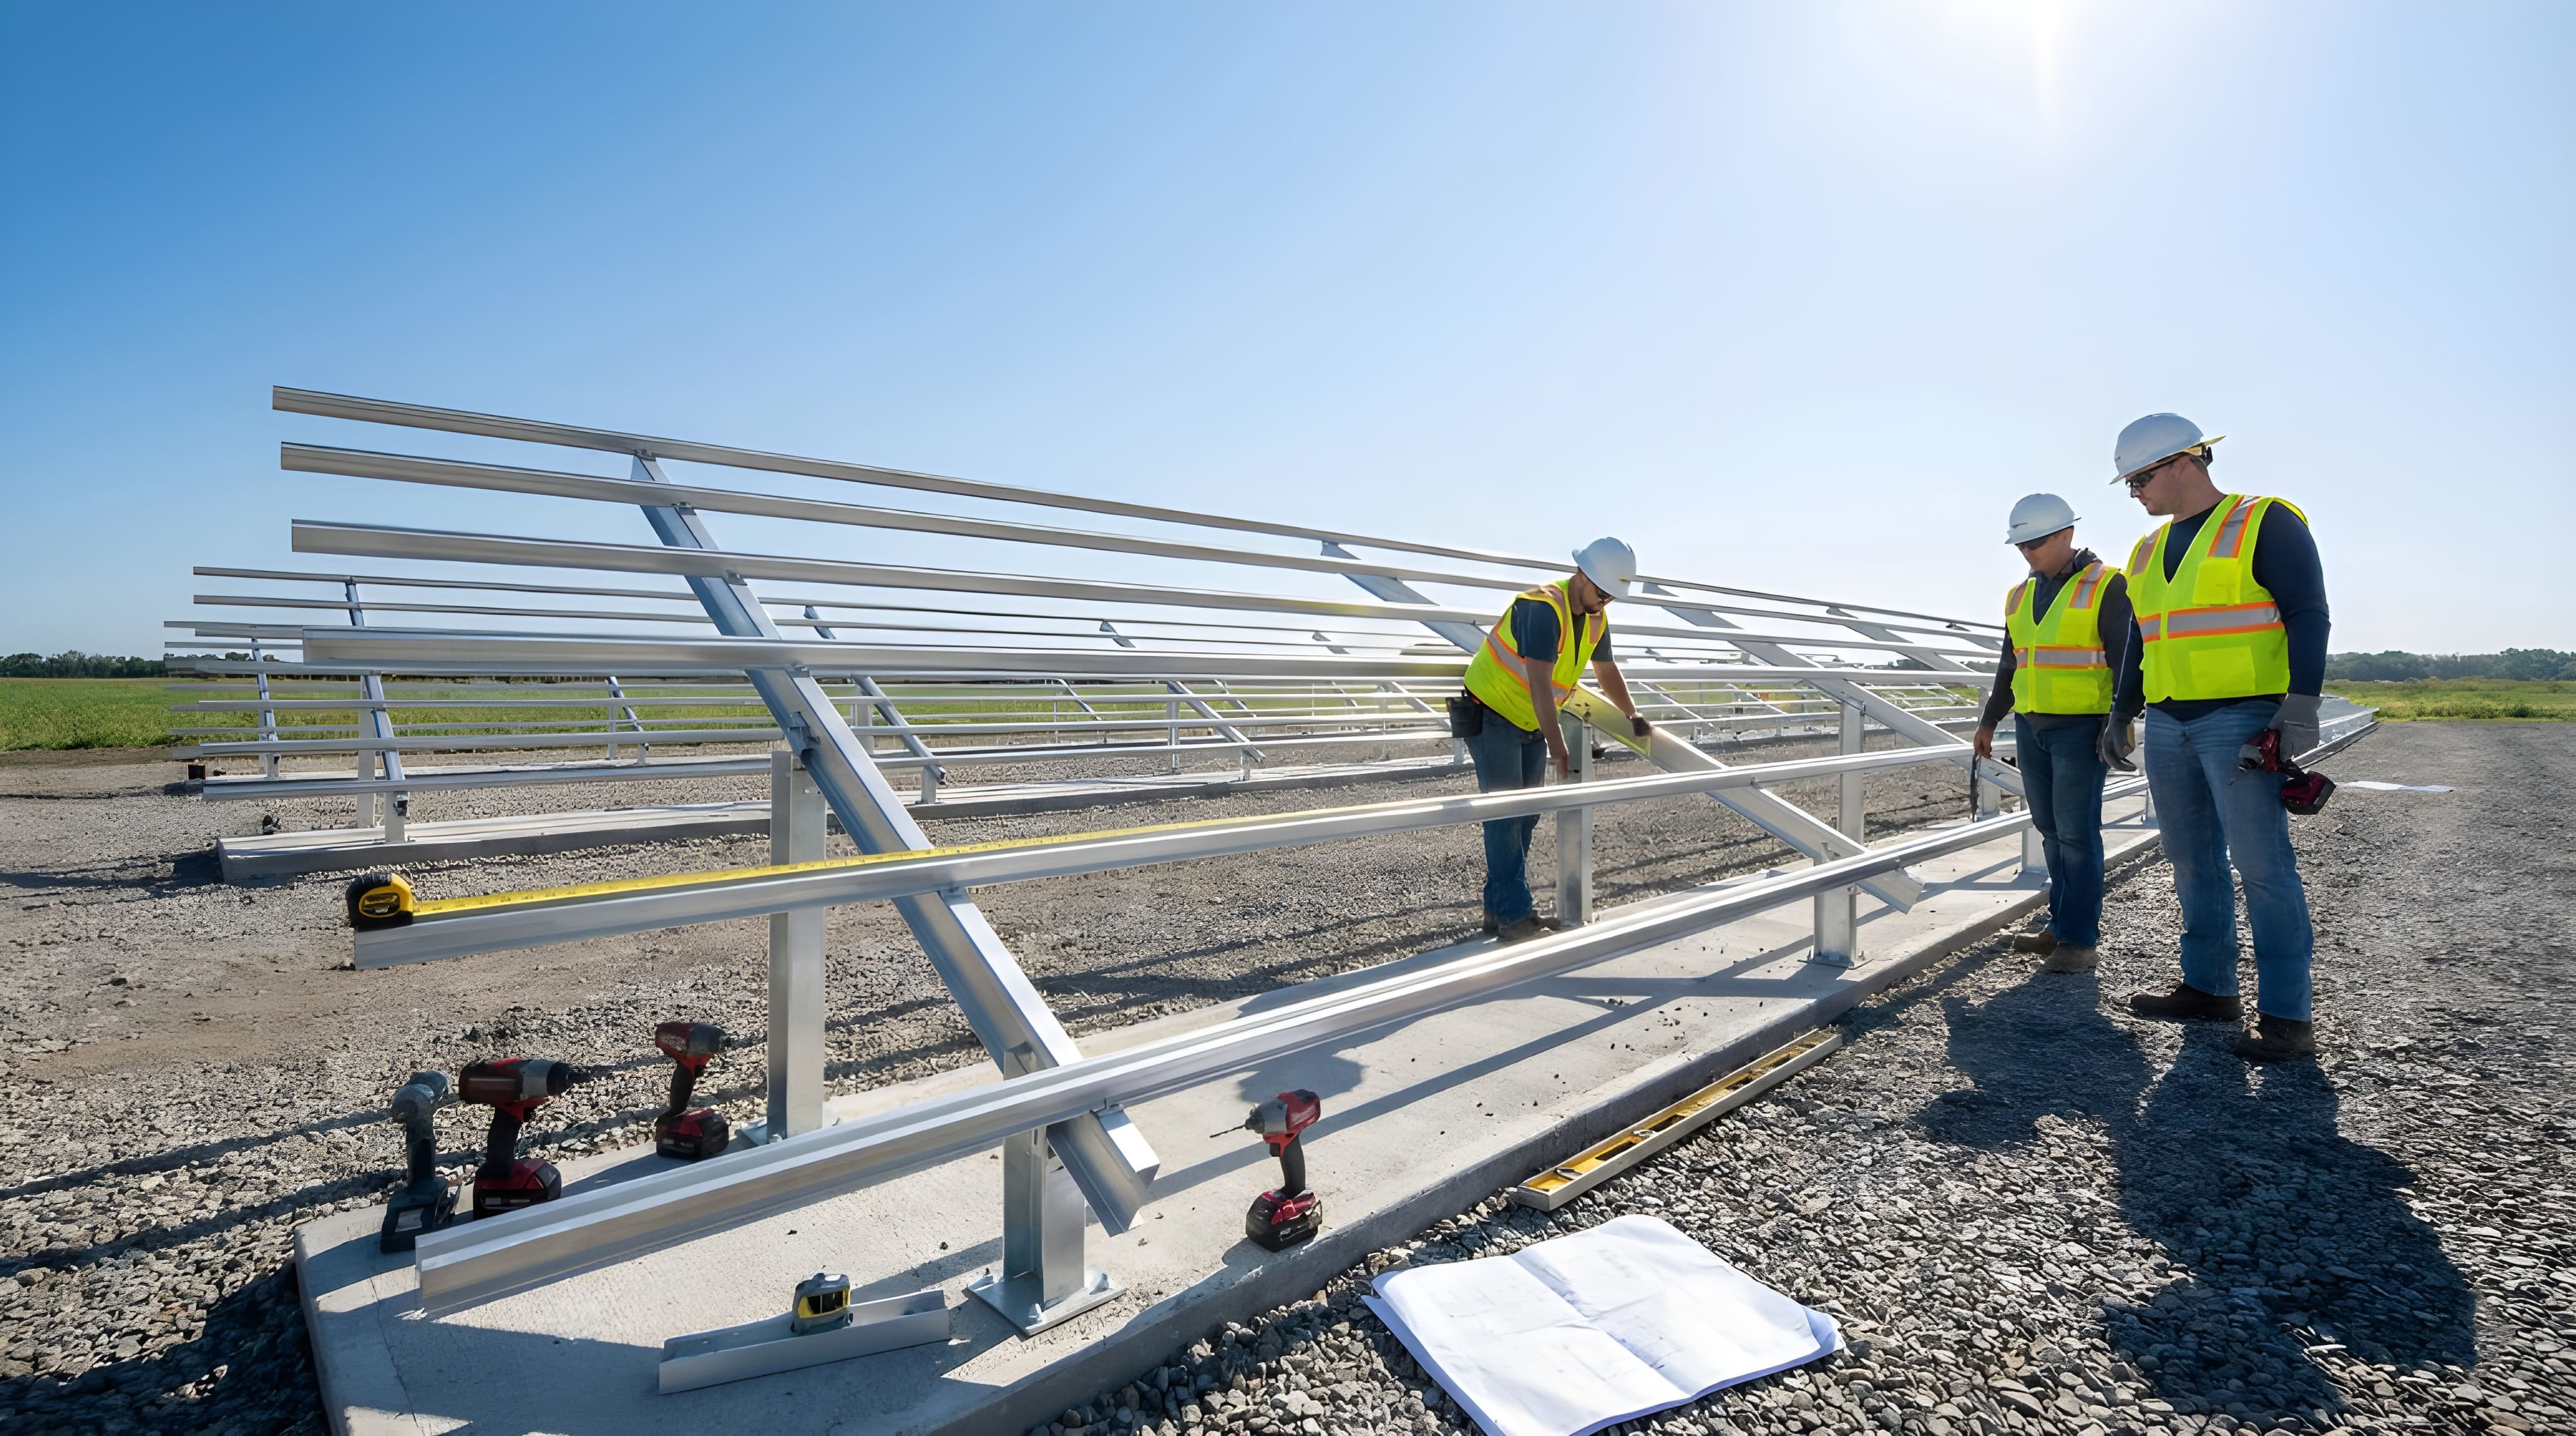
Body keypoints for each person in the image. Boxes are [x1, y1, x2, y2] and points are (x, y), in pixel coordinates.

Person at [2106, 414, 2331, 1062]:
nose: (2134, 493)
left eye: (2140, 478)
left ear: (2183, 463)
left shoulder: (2264, 522)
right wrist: (2123, 711)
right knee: (2190, 860)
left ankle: (2288, 1017)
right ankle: (2209, 988)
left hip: (2240, 718)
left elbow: (2308, 613)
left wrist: (2300, 706)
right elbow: (2141, 638)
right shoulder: (2146, 551)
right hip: (2169, 721)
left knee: (2262, 867)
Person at [1457, 538, 1654, 942]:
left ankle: (1499, 909)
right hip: (1493, 713)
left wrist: (1632, 712)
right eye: (1601, 592)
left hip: (1529, 721)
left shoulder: (1597, 618)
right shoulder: (1542, 608)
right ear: (1582, 574)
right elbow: (1540, 684)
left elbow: (1606, 670)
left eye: (1612, 597)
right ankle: (1515, 916)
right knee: (1506, 815)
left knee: (1526, 815)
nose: (1604, 602)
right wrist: (1559, 746)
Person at [1972, 492, 2133, 976]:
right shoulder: (2020, 595)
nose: (2027, 553)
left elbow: (2127, 655)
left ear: (2067, 535)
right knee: (2050, 831)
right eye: (2020, 545)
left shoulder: (2107, 585)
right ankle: (2061, 926)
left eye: (2036, 543)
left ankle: (2081, 942)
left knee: (2077, 833)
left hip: (2083, 727)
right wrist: (1990, 719)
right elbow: (2010, 661)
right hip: (2032, 724)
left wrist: (2119, 719)